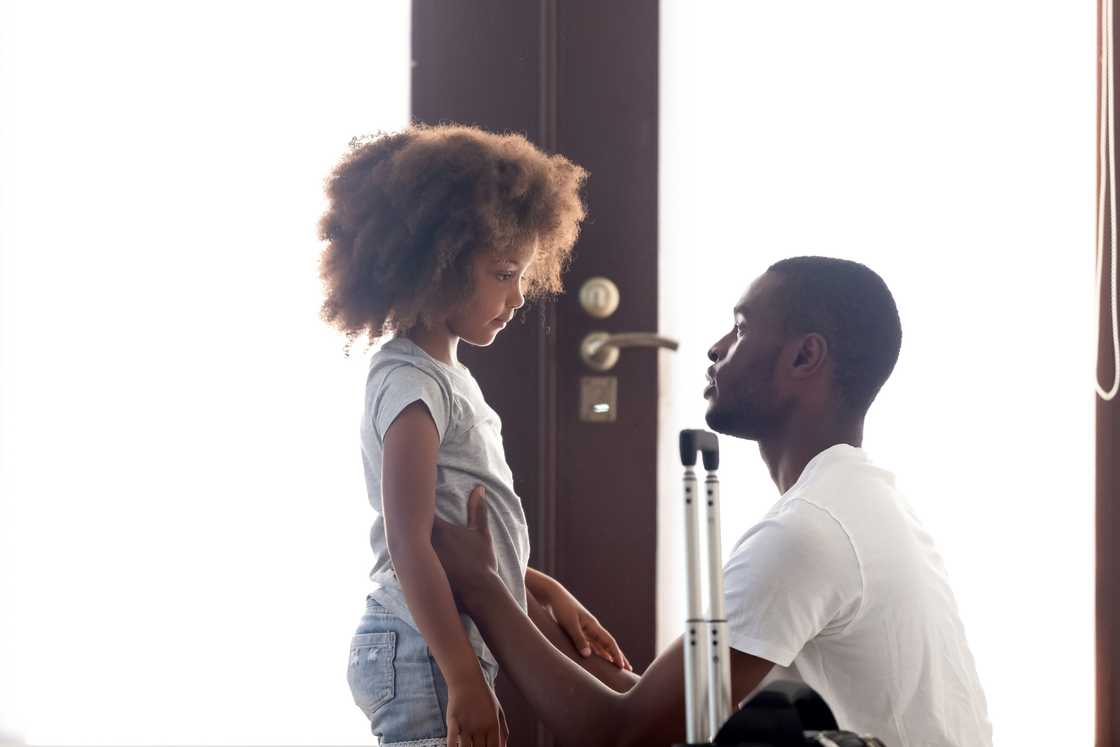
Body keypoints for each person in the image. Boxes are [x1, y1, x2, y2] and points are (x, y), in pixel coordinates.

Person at [431, 257, 993, 746]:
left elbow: (622, 737)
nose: (716, 348)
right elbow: (681, 718)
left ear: (804, 358)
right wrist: (525, 592)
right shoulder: (861, 502)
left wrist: (483, 588)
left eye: (741, 329)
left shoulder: (807, 534)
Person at [318, 124, 636, 747]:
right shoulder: (412, 384)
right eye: (502, 274)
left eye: (523, 275)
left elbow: (457, 535)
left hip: (430, 641)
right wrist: (462, 677)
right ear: (432, 268)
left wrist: (545, 590)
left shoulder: (446, 376)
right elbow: (412, 542)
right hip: (418, 648)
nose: (519, 297)